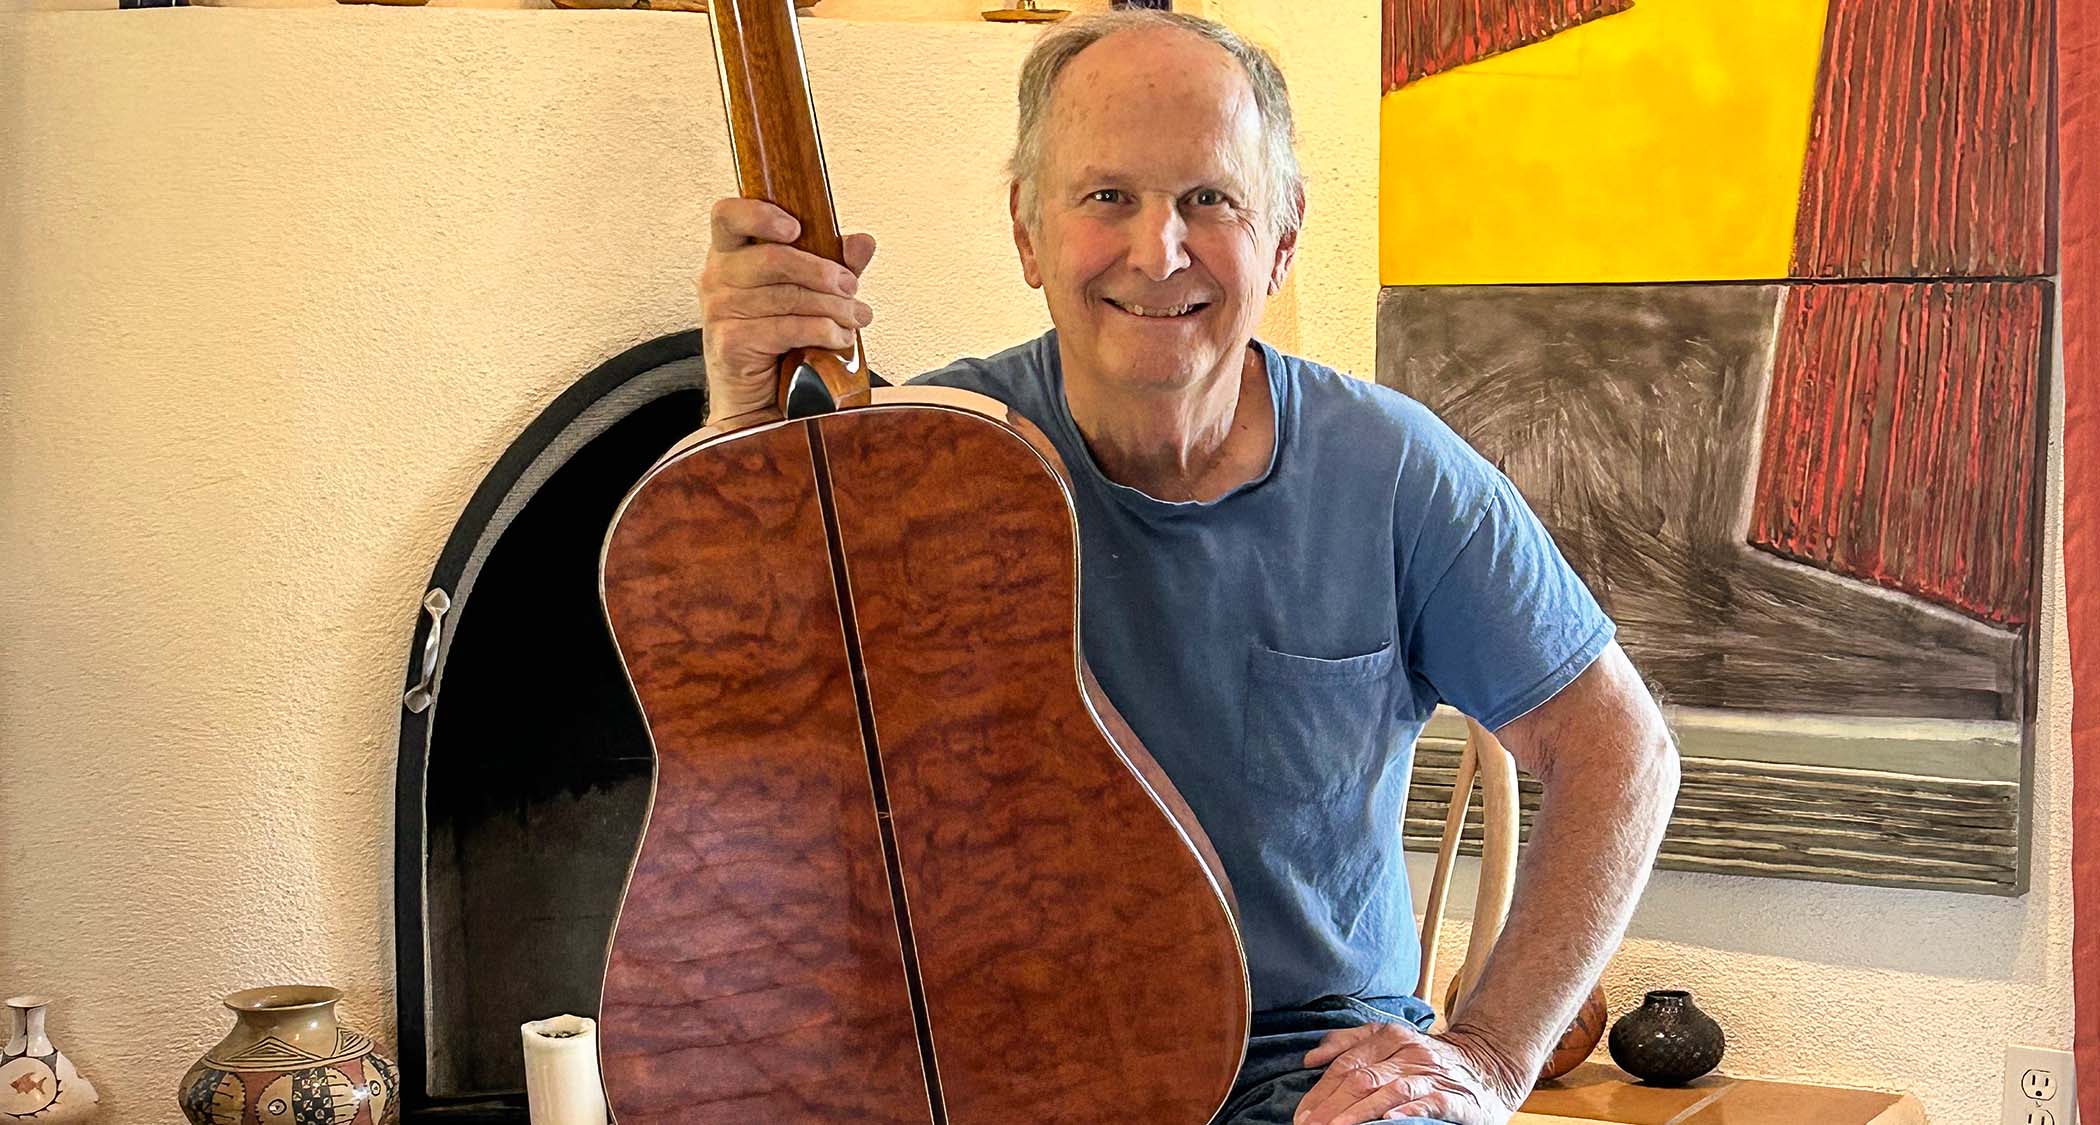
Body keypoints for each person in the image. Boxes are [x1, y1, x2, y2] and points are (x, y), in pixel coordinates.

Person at [691, 10, 1679, 1125]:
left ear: (1286, 232)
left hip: (1304, 1073)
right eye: (1107, 196)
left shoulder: (1394, 470)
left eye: (1210, 199)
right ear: (1026, 230)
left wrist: (1492, 1055)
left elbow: (1620, 751)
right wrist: (740, 413)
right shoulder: (934, 454)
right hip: (995, 1068)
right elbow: (743, 724)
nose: (1158, 251)